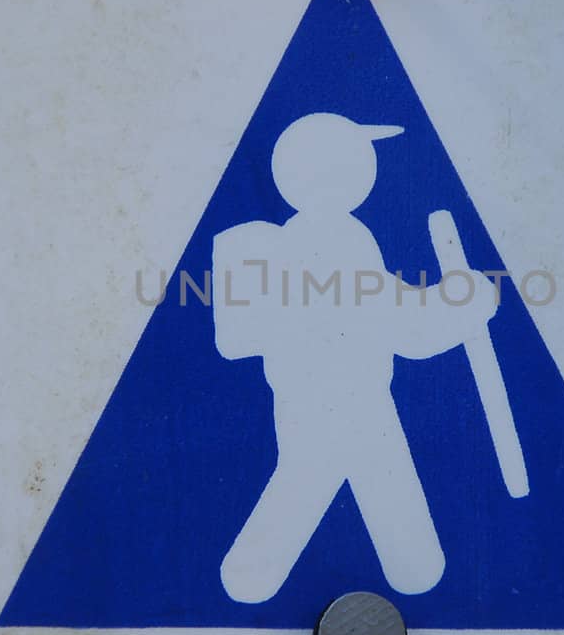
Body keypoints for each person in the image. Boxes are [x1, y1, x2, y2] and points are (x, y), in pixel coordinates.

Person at [212, 112, 498, 603]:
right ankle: (249, 578)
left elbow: (392, 313)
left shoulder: (328, 238)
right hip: (338, 395)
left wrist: (460, 301)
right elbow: (403, 323)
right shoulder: (331, 242)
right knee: (319, 474)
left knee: (357, 475)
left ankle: (416, 575)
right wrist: (466, 301)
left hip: (334, 392)